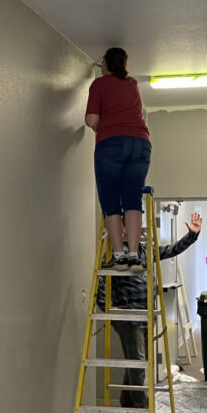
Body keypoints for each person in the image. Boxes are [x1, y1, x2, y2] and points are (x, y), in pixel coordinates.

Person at [96, 213, 202, 407]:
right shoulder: (113, 255)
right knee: (138, 365)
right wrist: (108, 308)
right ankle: (142, 410)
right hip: (128, 319)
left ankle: (126, 408)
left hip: (146, 315)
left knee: (135, 364)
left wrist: (192, 235)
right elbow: (100, 282)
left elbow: (171, 250)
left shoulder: (145, 250)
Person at [85, 47, 151, 272]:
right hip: (140, 144)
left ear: (104, 63)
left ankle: (119, 257)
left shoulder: (99, 85)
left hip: (111, 144)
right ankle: (133, 255)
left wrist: (102, 125)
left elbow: (91, 120)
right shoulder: (132, 84)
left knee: (111, 200)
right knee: (133, 199)